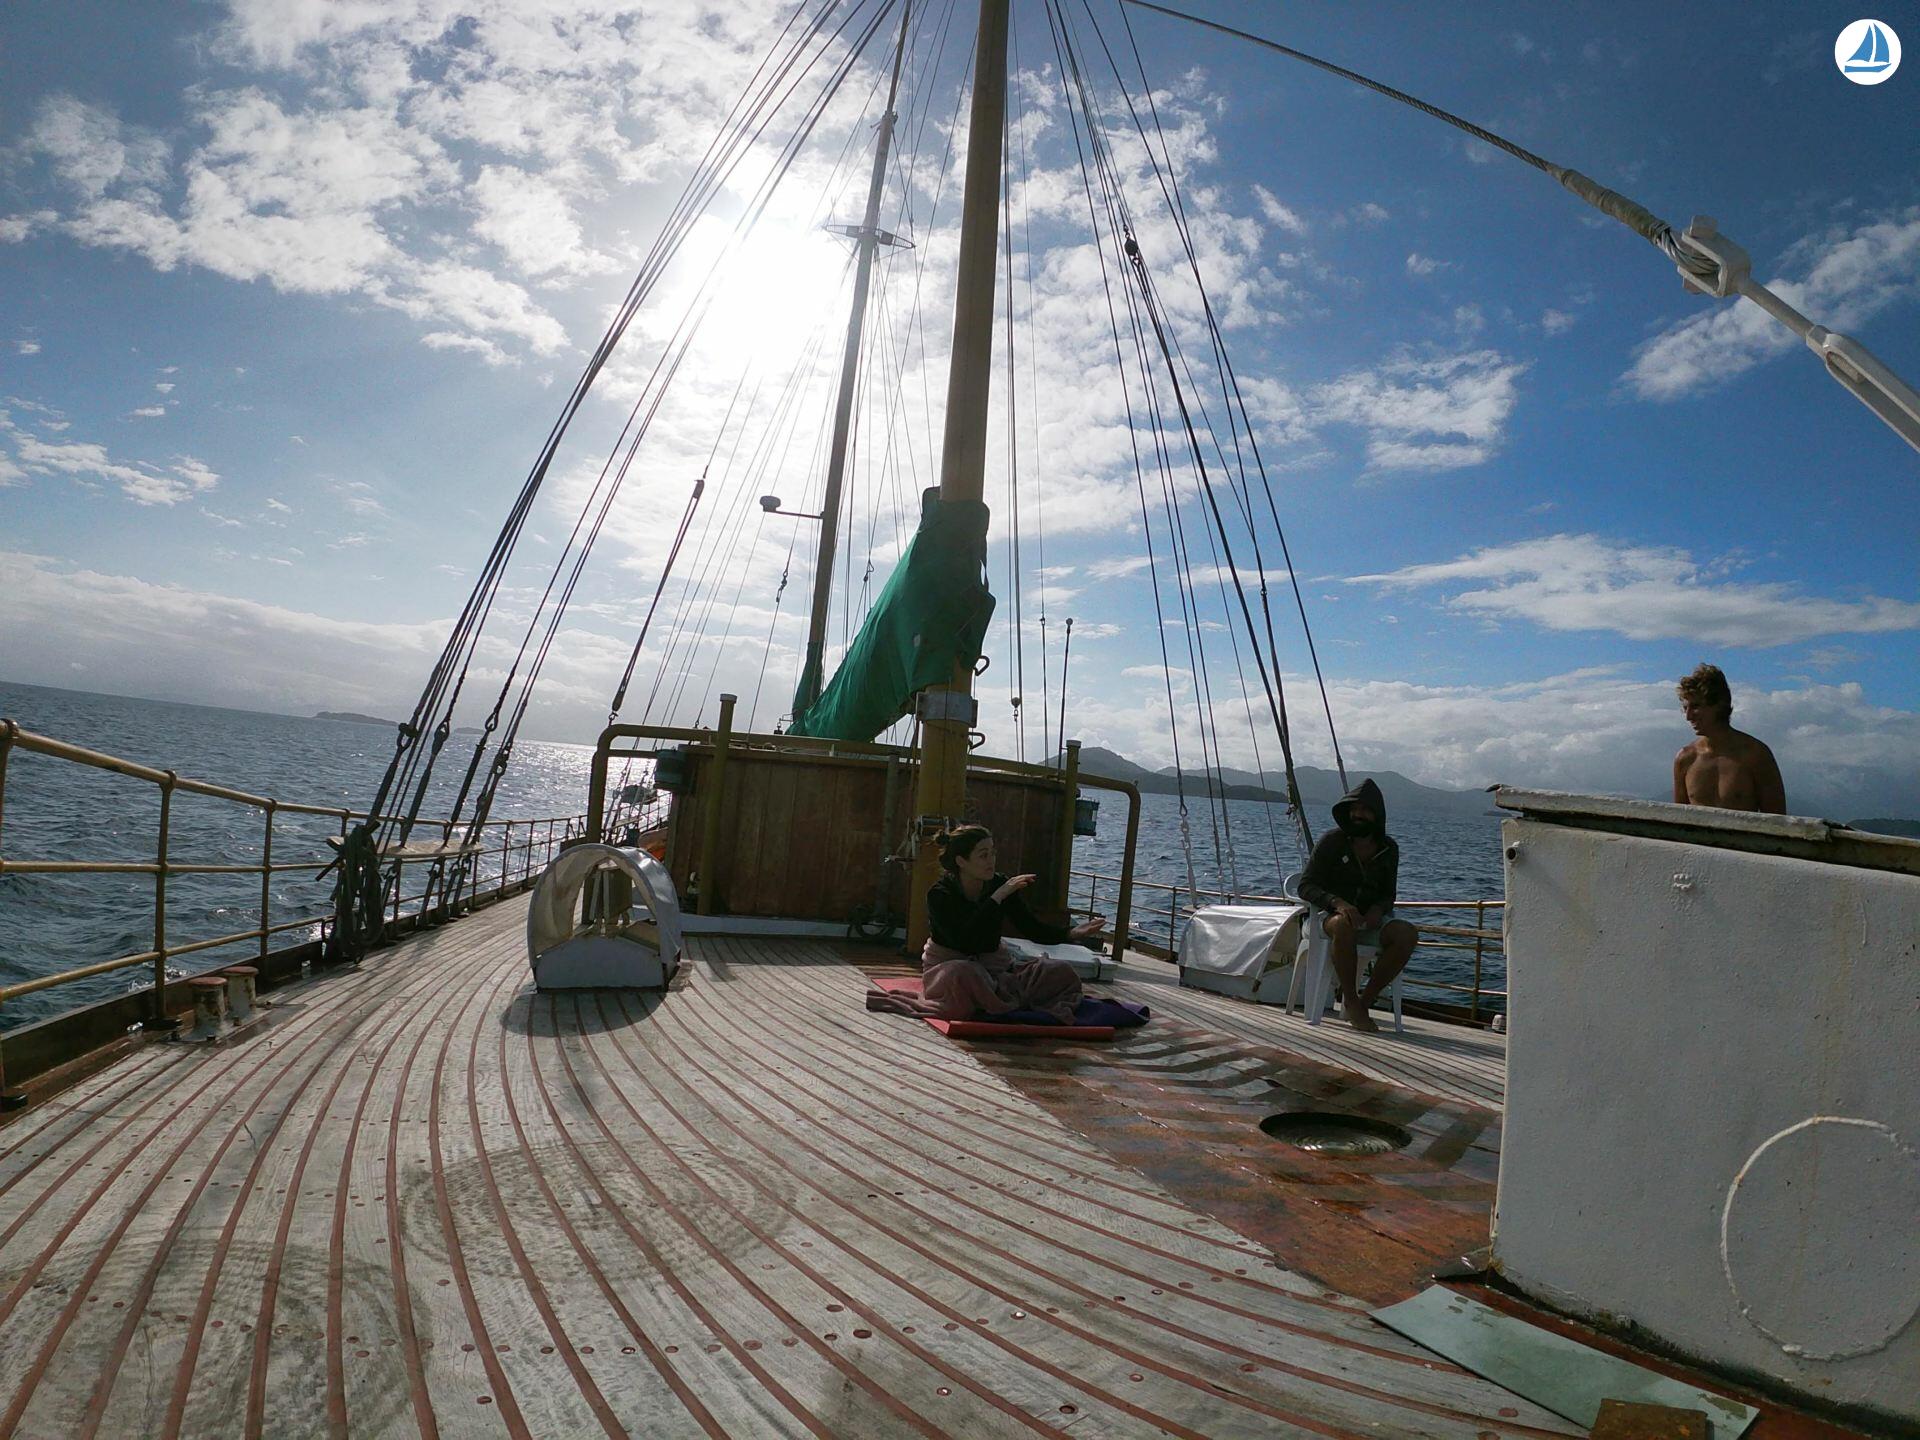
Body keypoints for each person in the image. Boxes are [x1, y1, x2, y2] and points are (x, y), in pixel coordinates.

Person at [872, 825, 1107, 1024]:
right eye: (983, 855)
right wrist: (997, 898)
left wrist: (1071, 933)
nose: (991, 861)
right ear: (961, 861)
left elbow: (1031, 927)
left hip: (996, 970)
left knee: (1060, 971)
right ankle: (998, 1001)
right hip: (951, 971)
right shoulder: (940, 894)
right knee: (965, 972)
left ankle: (995, 999)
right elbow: (964, 940)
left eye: (993, 854)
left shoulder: (1000, 884)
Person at [1295, 778, 1417, 1034]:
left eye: (1365, 809)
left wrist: (1377, 910)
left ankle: (1364, 1001)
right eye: (1354, 809)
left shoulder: (1389, 849)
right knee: (1344, 925)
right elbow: (1306, 886)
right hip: (1325, 920)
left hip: (1368, 922)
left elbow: (1388, 895)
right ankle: (1350, 999)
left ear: (1377, 813)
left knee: (1406, 933)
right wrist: (1337, 903)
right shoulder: (1332, 841)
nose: (1358, 814)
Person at [1672, 663, 1786, 814]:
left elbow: (1777, 819)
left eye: (1696, 706)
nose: (1688, 716)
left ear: (1719, 704)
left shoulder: (1755, 755)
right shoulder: (1686, 758)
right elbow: (1679, 818)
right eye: (1685, 708)